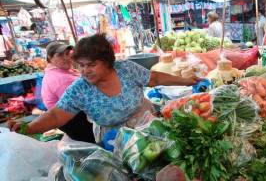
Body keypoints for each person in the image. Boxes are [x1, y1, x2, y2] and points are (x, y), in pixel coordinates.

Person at [9, 34, 199, 142]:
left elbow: (154, 77)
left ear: (107, 61)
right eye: (81, 65)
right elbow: (57, 114)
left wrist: (186, 81)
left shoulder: (125, 69)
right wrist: (29, 127)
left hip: (147, 125)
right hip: (113, 140)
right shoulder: (80, 89)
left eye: (91, 65)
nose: (85, 71)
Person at [41, 41, 95, 143]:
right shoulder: (60, 79)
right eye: (60, 55)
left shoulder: (62, 71)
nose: (66, 58)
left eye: (67, 53)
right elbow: (85, 101)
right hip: (75, 122)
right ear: (50, 58)